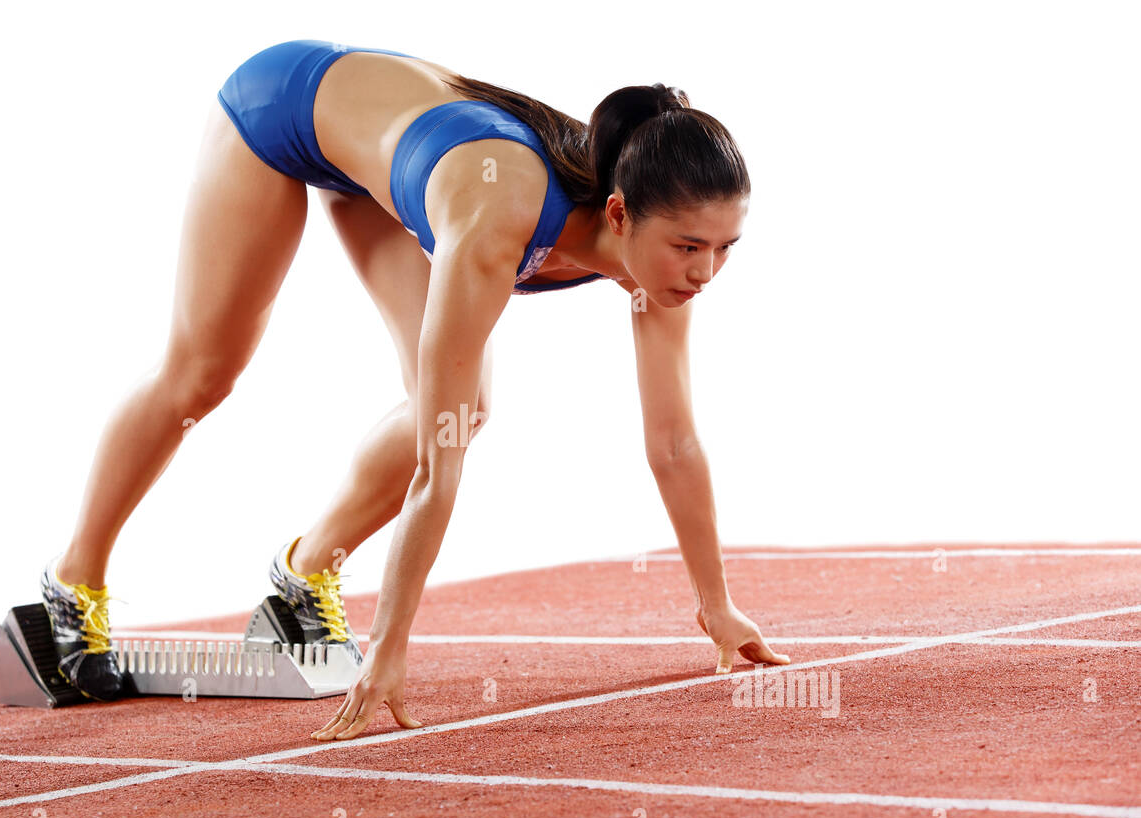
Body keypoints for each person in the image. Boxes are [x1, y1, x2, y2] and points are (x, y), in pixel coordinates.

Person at [39, 38, 790, 735]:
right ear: (620, 214)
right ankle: (74, 586)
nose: (704, 273)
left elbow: (674, 439)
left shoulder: (655, 257)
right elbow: (440, 459)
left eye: (726, 248)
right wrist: (387, 645)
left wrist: (715, 606)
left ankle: (305, 574)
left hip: (397, 162)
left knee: (467, 407)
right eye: (689, 248)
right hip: (280, 111)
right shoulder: (502, 216)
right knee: (204, 374)